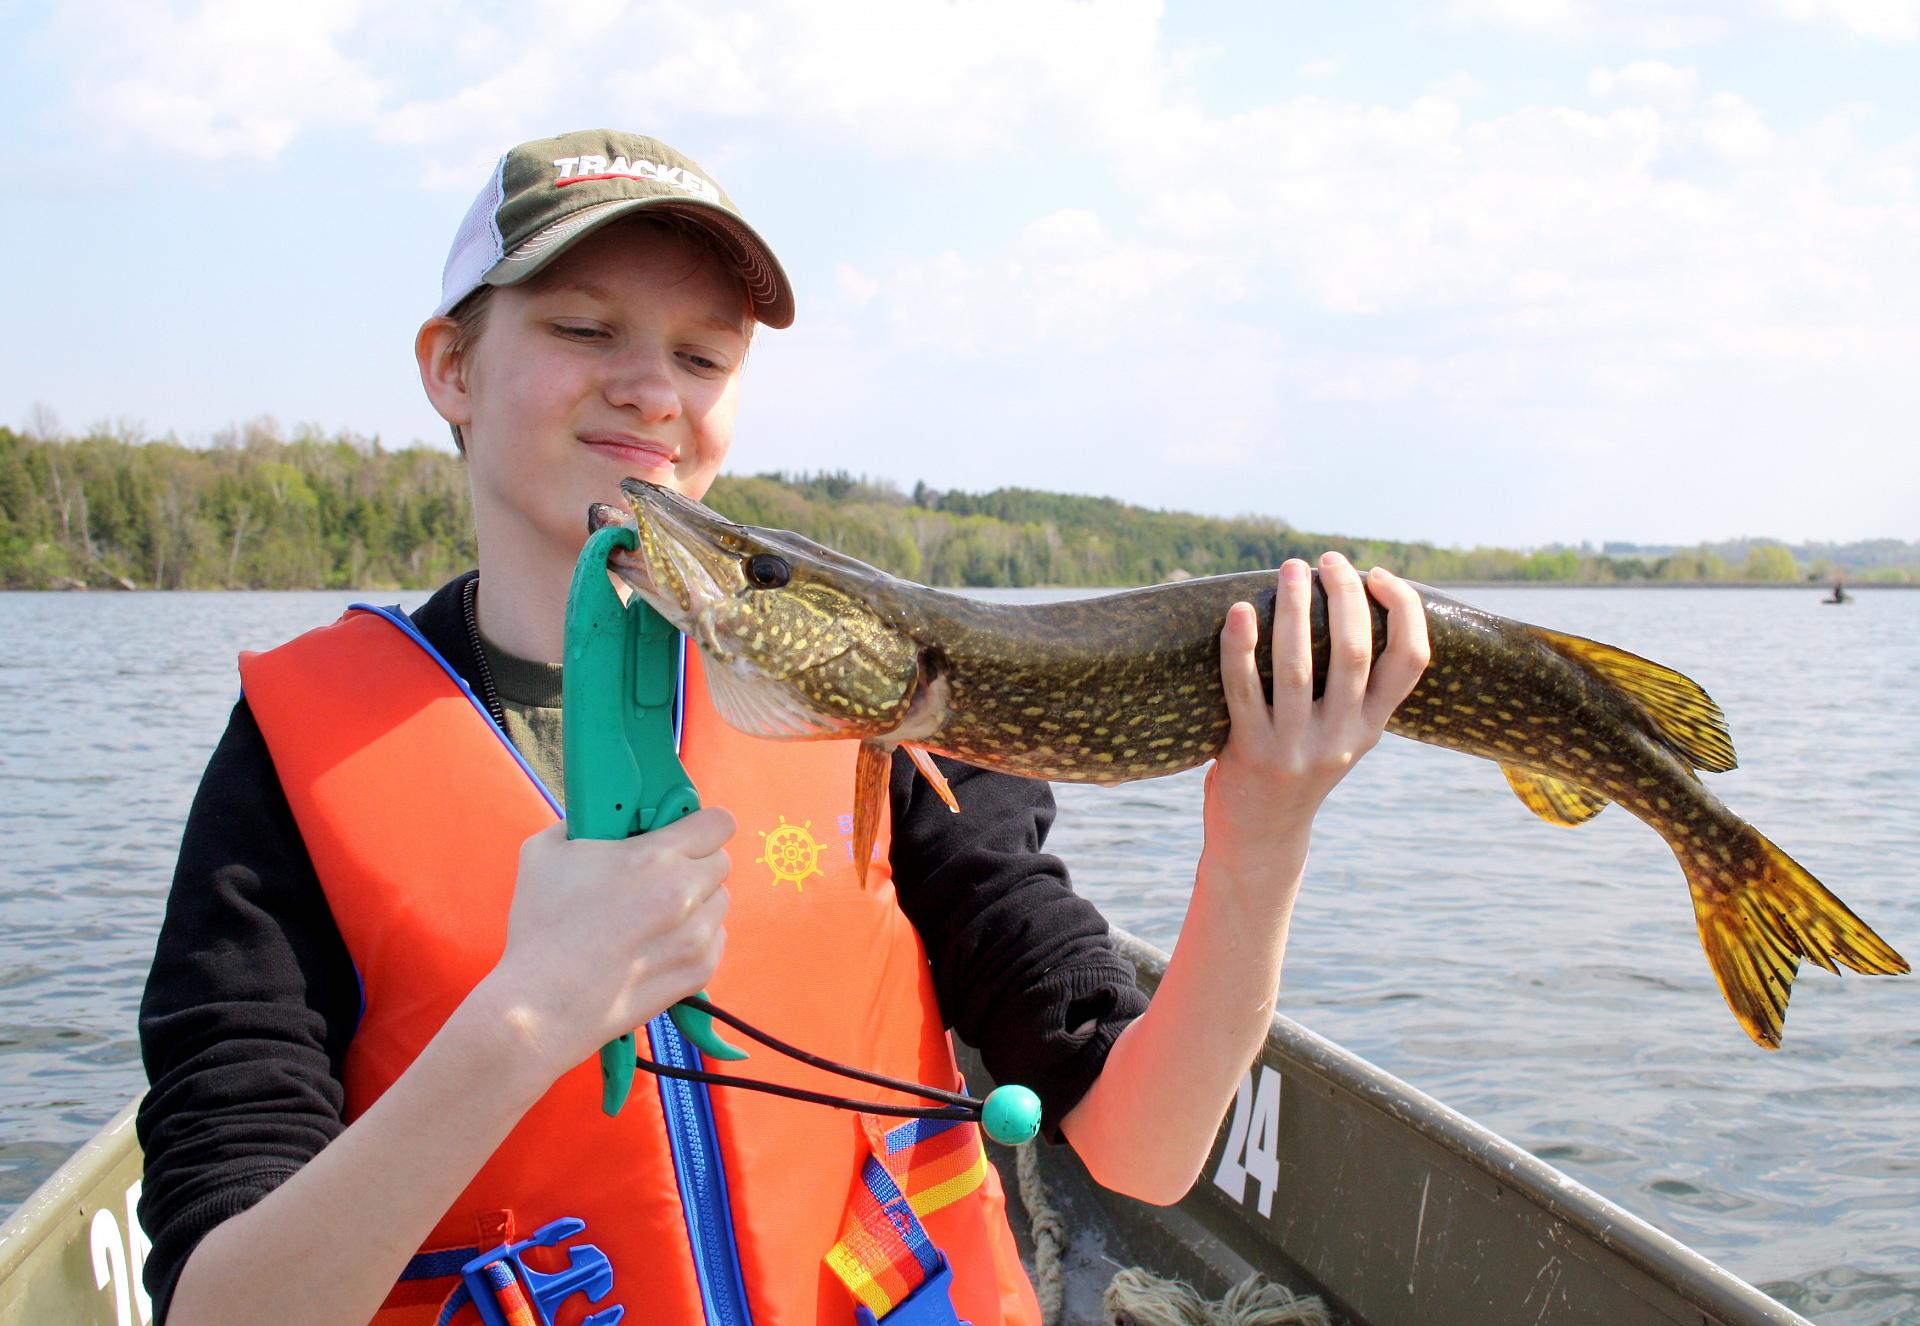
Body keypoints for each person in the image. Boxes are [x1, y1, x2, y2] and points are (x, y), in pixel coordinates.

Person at [137, 129, 1430, 1326]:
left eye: (702, 357)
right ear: (450, 366)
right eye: (587, 327)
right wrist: (529, 1015)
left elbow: (1140, 1149)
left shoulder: (881, 707)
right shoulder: (295, 765)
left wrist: (1264, 833)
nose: (650, 388)